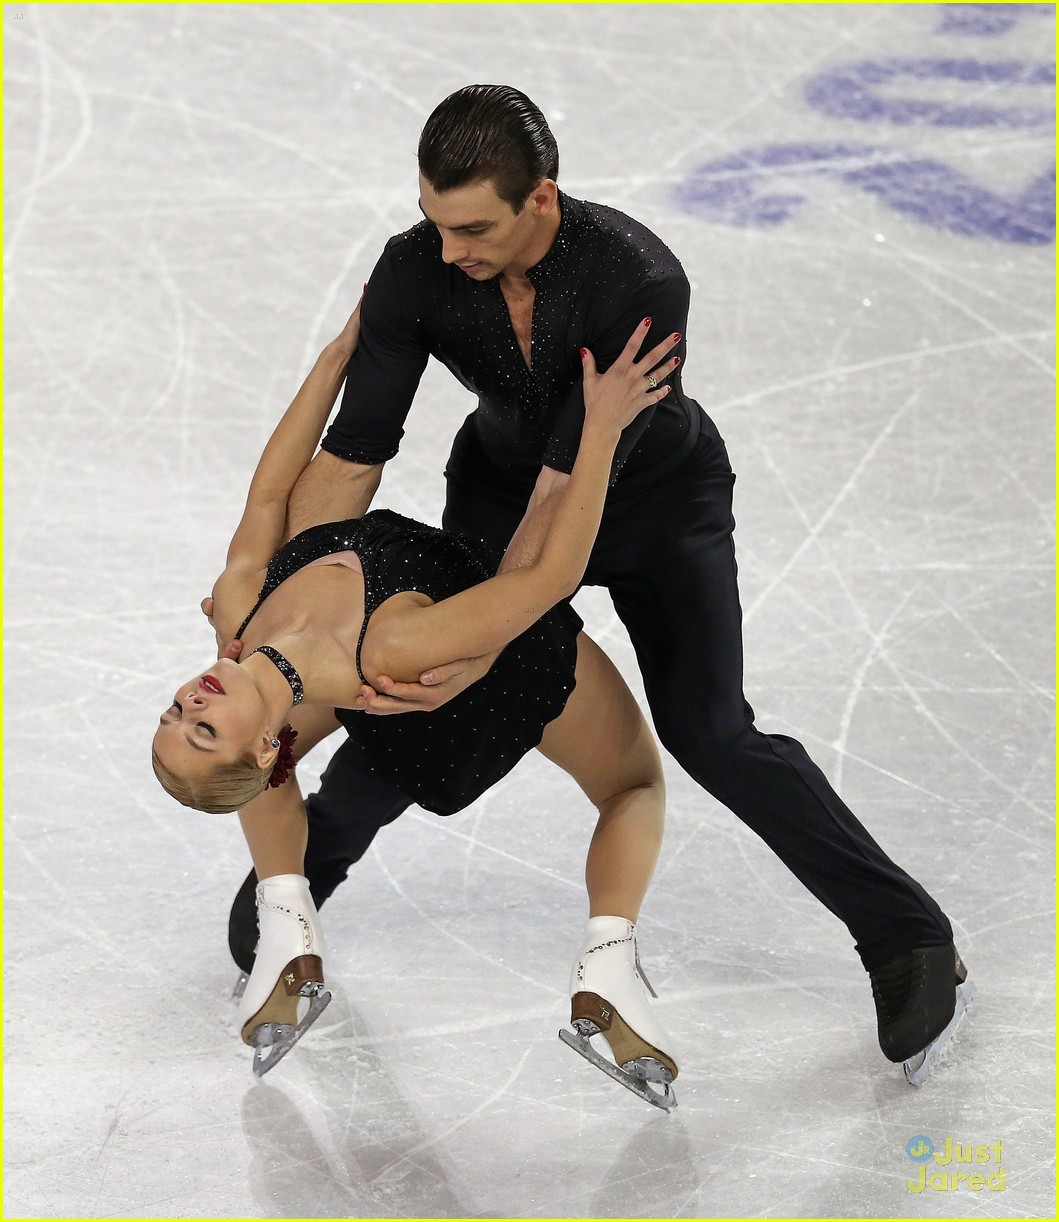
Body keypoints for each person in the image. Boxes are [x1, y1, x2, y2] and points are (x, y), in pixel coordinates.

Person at [225, 85, 970, 1079]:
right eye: (435, 223)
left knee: (710, 732)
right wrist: (292, 592)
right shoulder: (418, 265)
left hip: (657, 502)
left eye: (474, 227)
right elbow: (355, 453)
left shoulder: (636, 279)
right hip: (494, 493)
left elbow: (568, 490)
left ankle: (905, 932)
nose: (450, 251)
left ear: (542, 198)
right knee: (416, 692)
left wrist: (479, 641)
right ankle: (312, 865)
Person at [155, 304, 682, 1101]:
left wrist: (337, 356)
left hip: (372, 687)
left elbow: (268, 496)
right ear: (262, 746)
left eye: (175, 716)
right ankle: (609, 961)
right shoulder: (385, 651)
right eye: (203, 728)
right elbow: (541, 583)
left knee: (263, 739)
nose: (191, 701)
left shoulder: (239, 608)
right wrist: (601, 430)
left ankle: (286, 918)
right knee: (632, 786)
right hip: (498, 682)